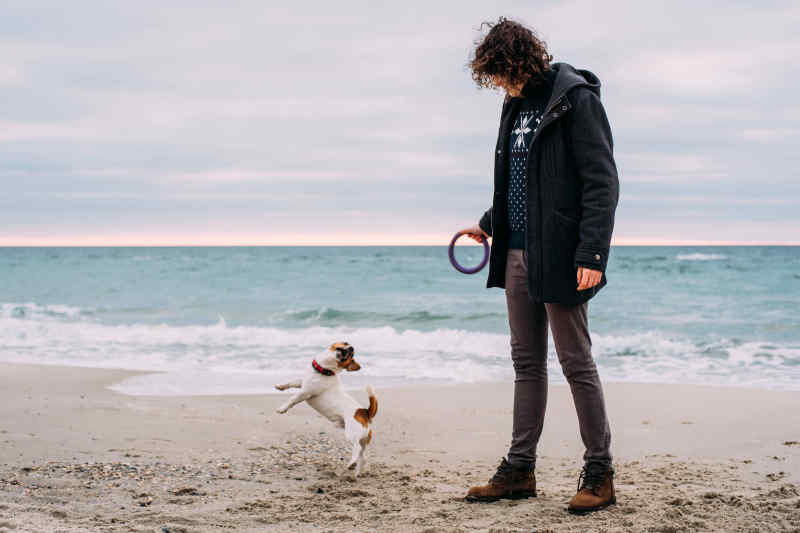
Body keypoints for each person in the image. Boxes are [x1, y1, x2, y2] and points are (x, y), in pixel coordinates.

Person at [459, 17, 620, 514]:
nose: (499, 84)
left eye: (502, 72)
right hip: (515, 254)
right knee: (526, 363)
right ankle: (519, 470)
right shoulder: (514, 104)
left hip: (563, 255)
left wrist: (592, 253)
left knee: (576, 364)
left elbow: (601, 182)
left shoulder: (575, 99)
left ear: (519, 60)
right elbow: (522, 178)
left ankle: (600, 472)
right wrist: (489, 222)